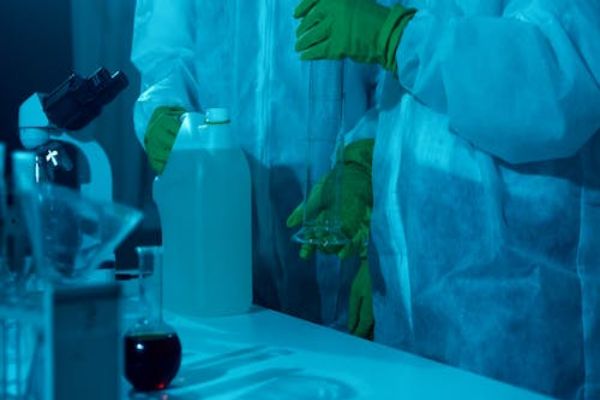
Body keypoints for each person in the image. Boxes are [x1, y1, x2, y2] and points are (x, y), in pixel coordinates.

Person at [292, 0, 600, 398]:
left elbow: (556, 83)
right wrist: (364, 162)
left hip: (516, 316)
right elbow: (405, 99)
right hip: (410, 313)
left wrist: (398, 37)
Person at [130, 0, 380, 334]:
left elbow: (402, 58)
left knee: (351, 352)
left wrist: (364, 158)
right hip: (220, 252)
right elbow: (164, 54)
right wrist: (162, 109)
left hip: (348, 225)